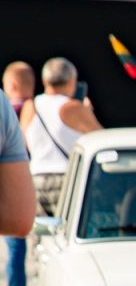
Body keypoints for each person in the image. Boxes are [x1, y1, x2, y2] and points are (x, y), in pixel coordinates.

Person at [19, 58, 100, 218]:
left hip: (35, 179)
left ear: (44, 80)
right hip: (68, 178)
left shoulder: (30, 106)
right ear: (72, 81)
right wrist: (87, 111)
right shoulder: (74, 108)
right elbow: (101, 138)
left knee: (39, 231)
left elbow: (23, 143)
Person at [3, 61, 35, 286]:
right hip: (25, 186)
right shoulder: (6, 110)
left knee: (15, 250)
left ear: (12, 84)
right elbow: (18, 221)